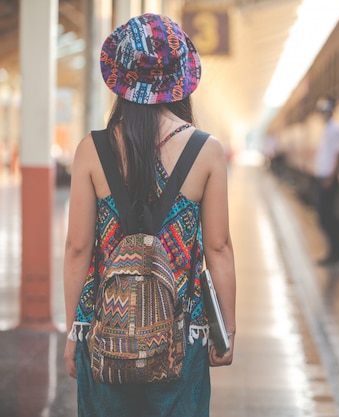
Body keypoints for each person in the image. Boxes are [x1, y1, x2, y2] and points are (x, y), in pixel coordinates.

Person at [62, 13, 236, 416]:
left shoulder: (93, 149)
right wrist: (225, 329)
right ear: (180, 79)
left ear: (121, 79)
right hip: (181, 337)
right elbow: (219, 247)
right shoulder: (206, 151)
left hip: (105, 332)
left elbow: (77, 249)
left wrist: (74, 330)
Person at [314, 96, 339, 265]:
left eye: (326, 111)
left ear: (331, 112)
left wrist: (331, 178)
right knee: (324, 216)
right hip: (324, 177)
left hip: (328, 179)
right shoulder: (328, 129)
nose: (323, 115)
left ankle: (337, 253)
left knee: (327, 216)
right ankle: (336, 252)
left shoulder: (335, 130)